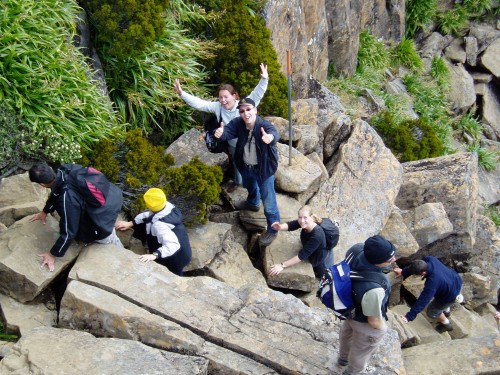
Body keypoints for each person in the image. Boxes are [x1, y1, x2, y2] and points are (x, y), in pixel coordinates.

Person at [174, 63, 269, 192]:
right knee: (237, 163)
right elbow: (200, 104)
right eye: (220, 97)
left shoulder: (243, 105)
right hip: (233, 144)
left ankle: (254, 187)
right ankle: (239, 183)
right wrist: (182, 93)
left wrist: (264, 79)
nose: (223, 100)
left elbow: (256, 94)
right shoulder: (218, 107)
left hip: (249, 141)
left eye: (226, 97)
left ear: (234, 96)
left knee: (251, 163)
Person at [29, 163, 123, 272]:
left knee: (108, 240)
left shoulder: (66, 198)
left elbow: (69, 231)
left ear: (42, 184)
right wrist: (45, 211)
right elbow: (55, 193)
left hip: (102, 218)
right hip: (110, 199)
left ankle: (123, 258)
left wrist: (53, 254)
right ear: (50, 169)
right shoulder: (65, 169)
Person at [214, 97, 280, 247]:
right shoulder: (238, 123)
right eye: (242, 111)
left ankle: (273, 229)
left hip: (263, 169)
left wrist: (270, 138)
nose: (245, 113)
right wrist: (220, 134)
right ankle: (253, 203)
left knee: (269, 201)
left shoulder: (263, 125)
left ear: (255, 110)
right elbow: (227, 132)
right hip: (246, 165)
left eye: (248, 109)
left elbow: (274, 133)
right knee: (249, 186)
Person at [338, 235, 396, 375]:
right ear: (377, 263)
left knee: (346, 335)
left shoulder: (356, 249)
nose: (394, 259)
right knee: (361, 351)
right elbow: (373, 320)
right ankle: (353, 372)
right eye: (389, 259)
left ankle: (342, 358)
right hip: (362, 321)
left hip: (348, 308)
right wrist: (382, 328)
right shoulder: (375, 288)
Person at [115, 188, 192, 276]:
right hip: (182, 250)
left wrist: (155, 255)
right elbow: (147, 215)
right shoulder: (167, 207)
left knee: (174, 275)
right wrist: (131, 223)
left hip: (175, 258)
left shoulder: (160, 225)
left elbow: (173, 245)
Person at [394, 256, 463, 333]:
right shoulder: (430, 259)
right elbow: (414, 267)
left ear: (423, 273)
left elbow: (423, 300)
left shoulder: (433, 283)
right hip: (456, 280)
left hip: (449, 296)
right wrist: (403, 272)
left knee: (432, 312)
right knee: (444, 297)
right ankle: (446, 311)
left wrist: (408, 317)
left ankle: (447, 324)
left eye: (417, 274)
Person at [268, 205, 333, 277]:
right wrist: (280, 227)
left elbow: (302, 255)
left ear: (311, 217)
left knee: (323, 278)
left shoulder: (317, 235)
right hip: (312, 251)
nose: (302, 221)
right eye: (300, 217)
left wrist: (282, 265)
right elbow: (291, 225)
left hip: (320, 260)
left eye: (305, 217)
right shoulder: (305, 223)